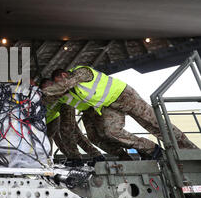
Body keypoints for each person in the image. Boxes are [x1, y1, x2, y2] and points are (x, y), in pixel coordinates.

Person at [43, 66, 198, 159]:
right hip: (110, 105)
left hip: (125, 96)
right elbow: (58, 96)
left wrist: (43, 91)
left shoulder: (81, 72)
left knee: (154, 124)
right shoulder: (73, 89)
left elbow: (64, 86)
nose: (61, 85)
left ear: (63, 75)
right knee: (110, 131)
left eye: (59, 81)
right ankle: (150, 149)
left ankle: (190, 151)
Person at [41, 79, 105, 166]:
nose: (48, 92)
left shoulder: (59, 91)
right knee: (60, 137)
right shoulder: (41, 97)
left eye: (49, 89)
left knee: (70, 131)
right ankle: (77, 157)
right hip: (52, 116)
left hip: (66, 104)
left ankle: (78, 158)